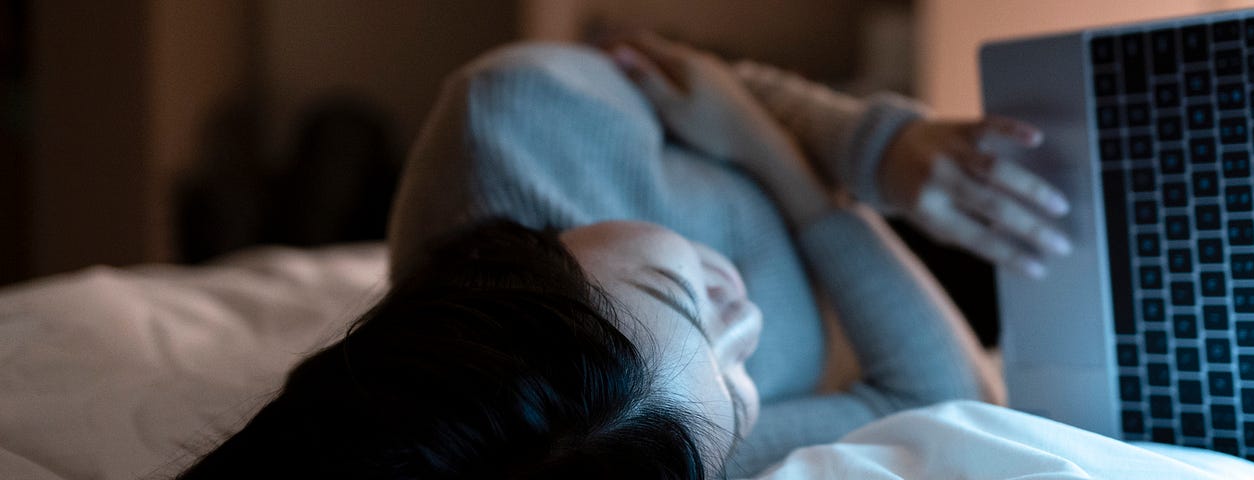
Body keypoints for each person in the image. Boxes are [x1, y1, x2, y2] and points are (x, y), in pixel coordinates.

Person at [181, 32, 1072, 478]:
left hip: (888, 203)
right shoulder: (634, 443)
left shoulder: (519, 114)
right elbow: (952, 400)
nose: (746, 322)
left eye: (672, 288)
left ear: (531, 265)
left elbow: (701, 85)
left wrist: (876, 149)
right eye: (736, 382)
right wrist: (780, 170)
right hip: (885, 273)